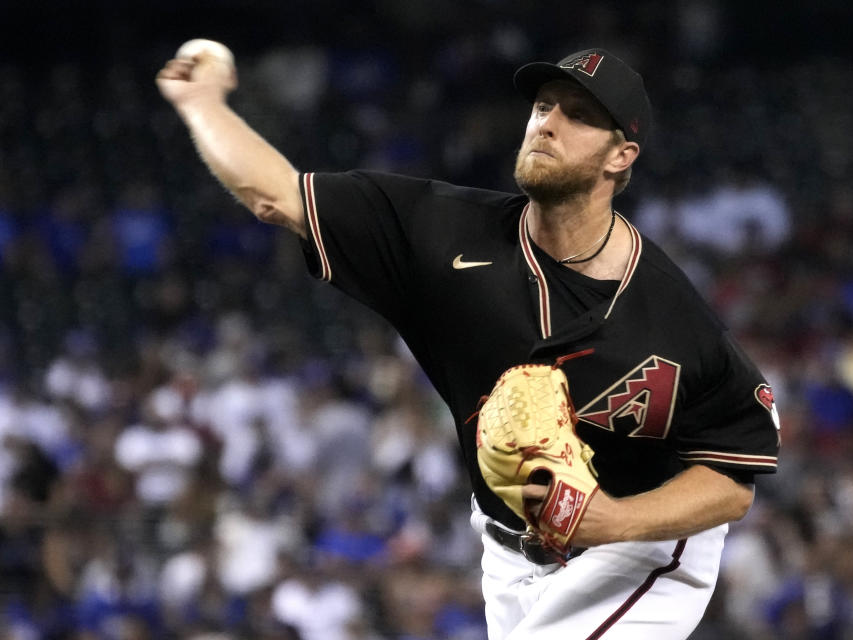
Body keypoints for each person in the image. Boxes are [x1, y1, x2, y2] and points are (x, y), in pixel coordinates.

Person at [157, 44, 781, 639]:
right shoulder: (439, 231)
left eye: (580, 116)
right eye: (543, 107)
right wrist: (202, 105)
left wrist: (616, 521)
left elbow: (732, 479)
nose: (548, 124)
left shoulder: (671, 317)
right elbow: (278, 194)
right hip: (507, 550)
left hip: (638, 548)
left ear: (620, 157)